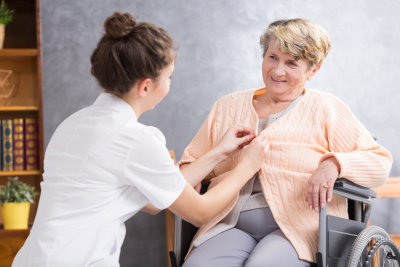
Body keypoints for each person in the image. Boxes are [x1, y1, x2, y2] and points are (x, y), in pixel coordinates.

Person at [12, 12, 269, 267]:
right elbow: (200, 212)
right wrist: (247, 166)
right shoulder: (133, 140)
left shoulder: (74, 123)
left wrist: (217, 153)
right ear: (146, 87)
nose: (169, 84)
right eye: (168, 77)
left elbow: (153, 201)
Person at [180, 18, 393, 267]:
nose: (277, 71)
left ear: (313, 70)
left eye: (291, 63)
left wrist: (335, 164)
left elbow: (380, 161)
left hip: (299, 229)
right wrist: (194, 177)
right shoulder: (227, 106)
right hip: (227, 222)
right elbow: (190, 163)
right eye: (272, 57)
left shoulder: (326, 108)